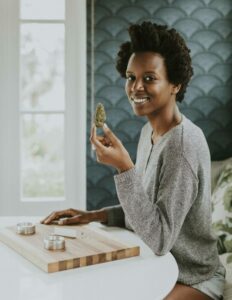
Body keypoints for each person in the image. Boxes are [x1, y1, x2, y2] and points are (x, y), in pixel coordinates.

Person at [41, 22, 225, 300]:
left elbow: (160, 238)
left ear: (175, 83)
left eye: (149, 78)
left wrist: (124, 167)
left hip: (193, 277)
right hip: (156, 266)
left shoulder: (183, 145)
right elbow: (146, 210)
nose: (136, 87)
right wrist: (93, 216)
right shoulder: (149, 131)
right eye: (130, 77)